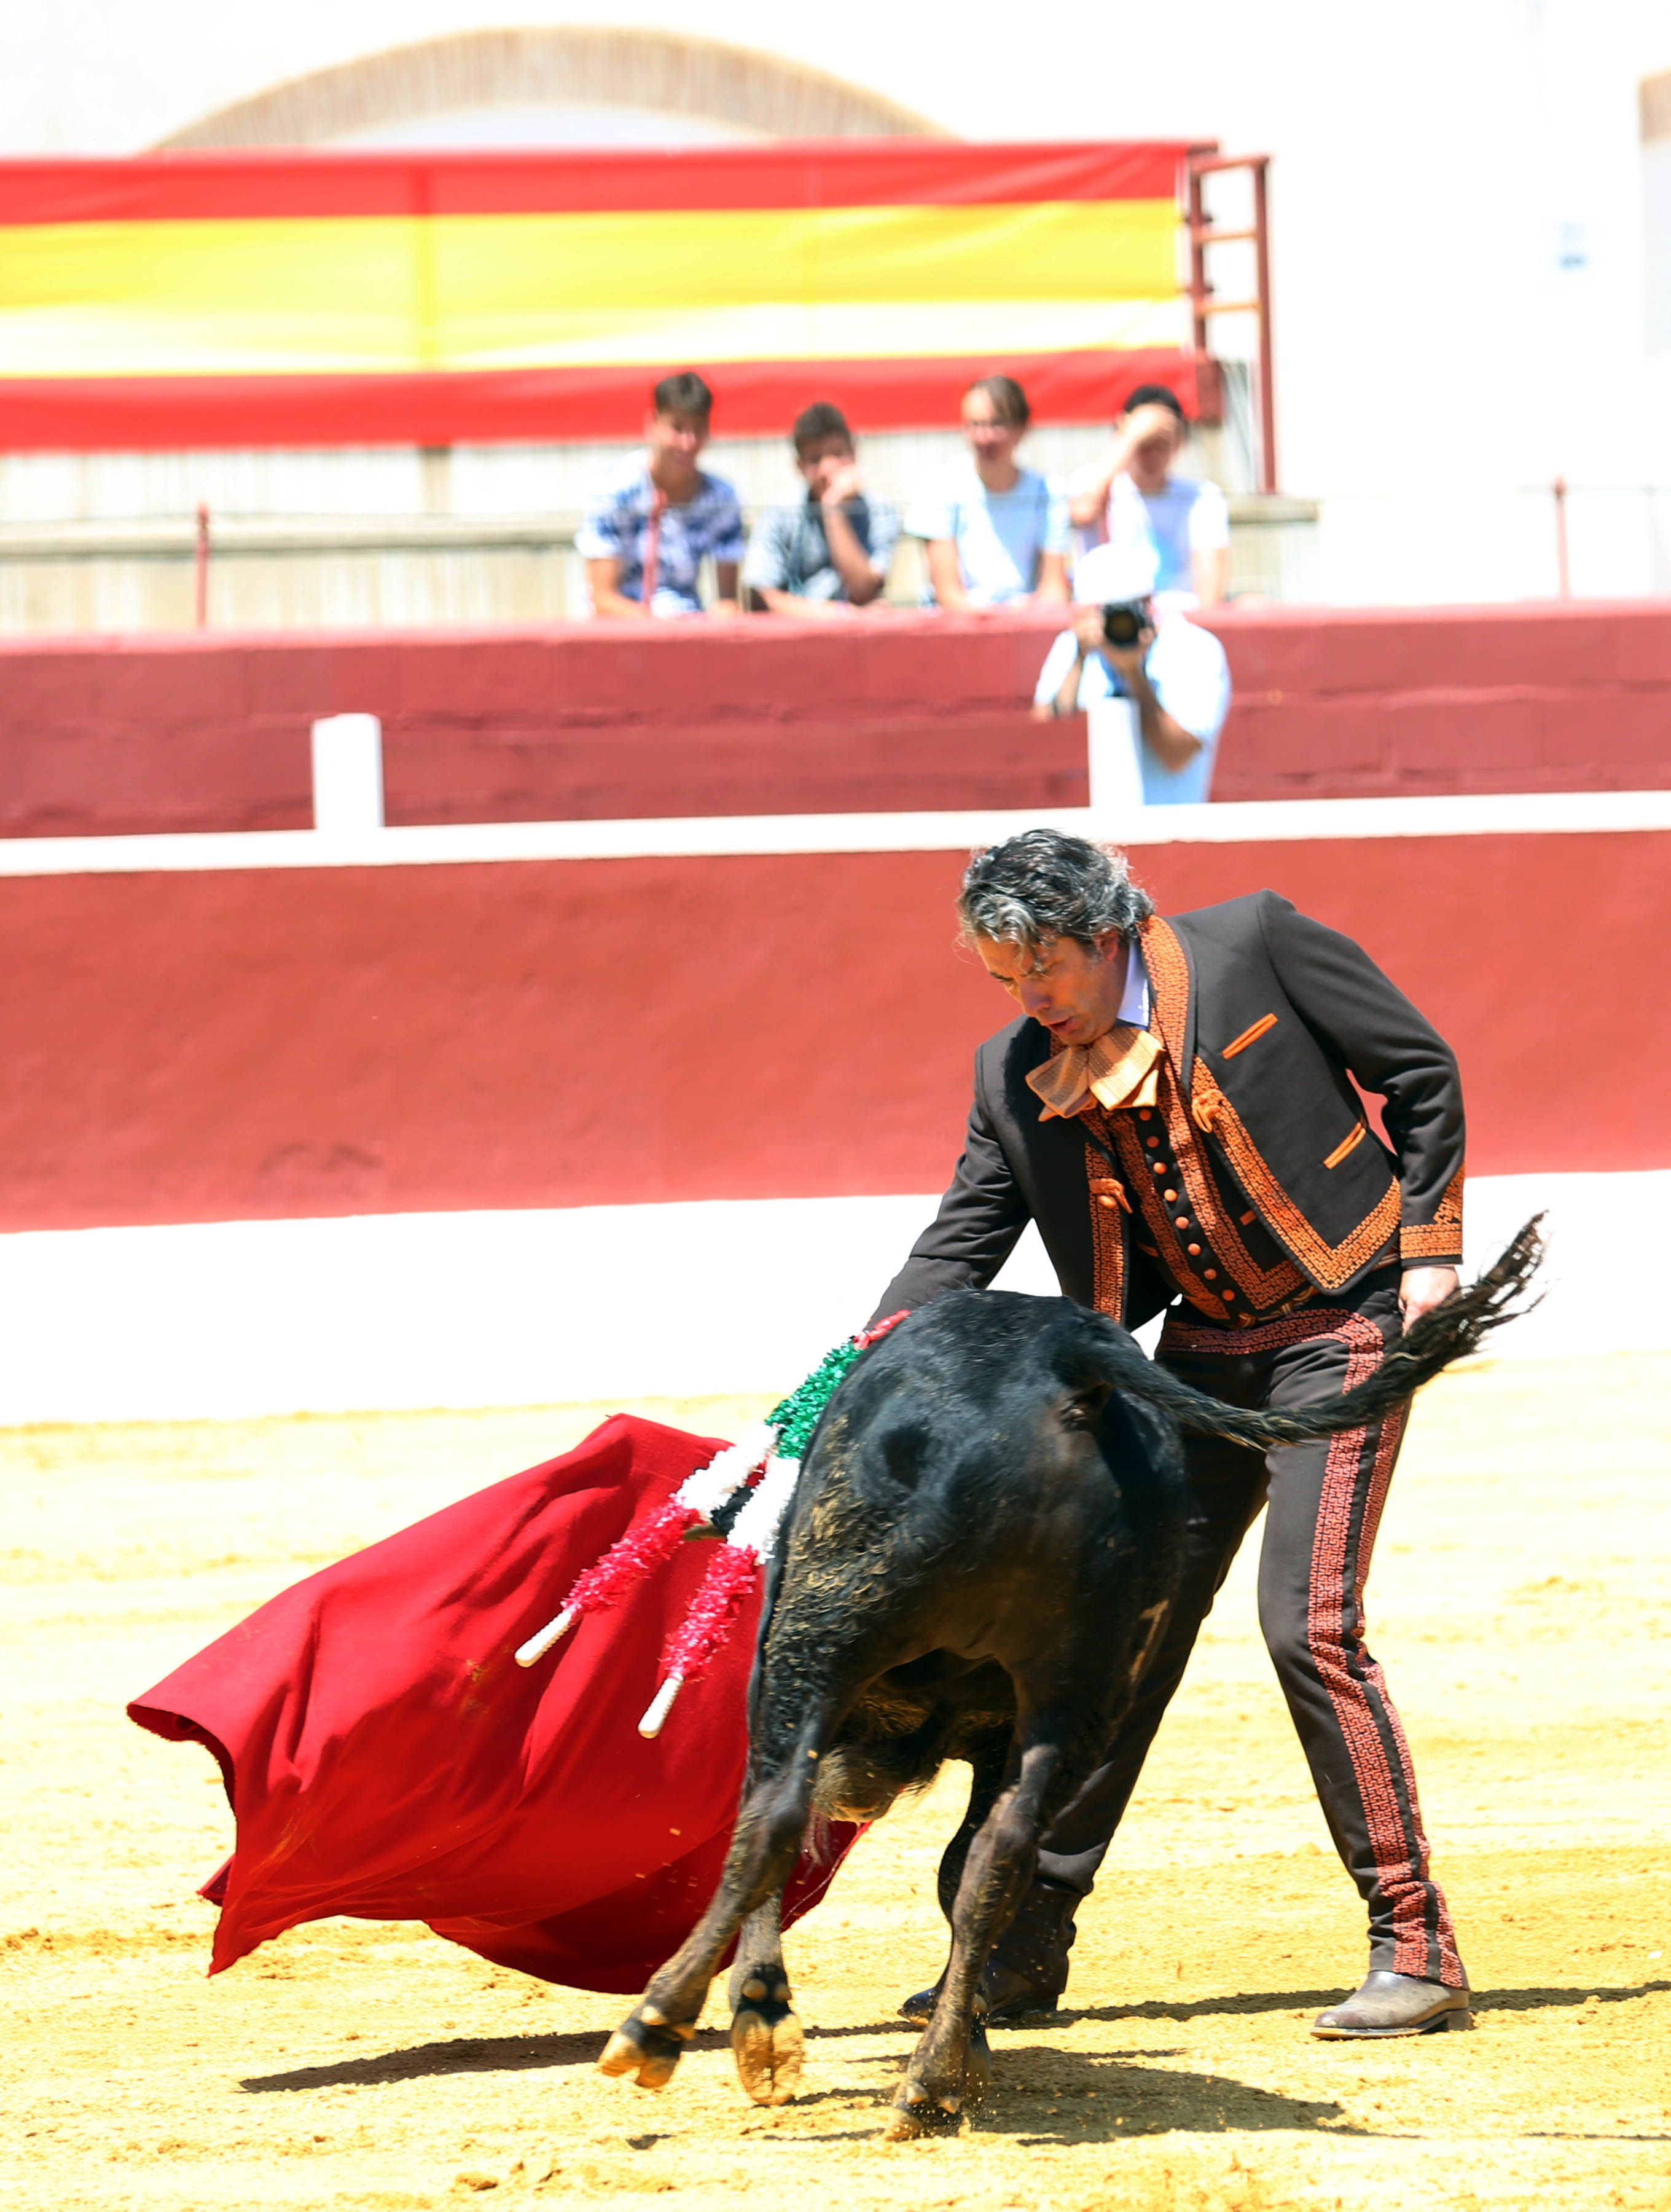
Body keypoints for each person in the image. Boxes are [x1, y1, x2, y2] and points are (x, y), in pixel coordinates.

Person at [874, 828, 1473, 2041]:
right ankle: (1018, 1948)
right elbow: (962, 1237)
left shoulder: (1254, 942)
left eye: (1043, 968)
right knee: (1114, 1636)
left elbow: (1420, 1071)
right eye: (1003, 978)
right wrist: (861, 1363)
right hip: (1195, 1362)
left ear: (1107, 936)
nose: (1029, 999)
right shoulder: (1013, 1072)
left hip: (1344, 1326)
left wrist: (1431, 1249)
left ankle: (1416, 1949)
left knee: (1307, 1626)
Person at [1031, 543, 1231, 806]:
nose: (1119, 623)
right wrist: (1079, 658)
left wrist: (1133, 673)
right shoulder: (1074, 646)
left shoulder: (1194, 648)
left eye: (1127, 610)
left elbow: (1177, 755)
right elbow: (1043, 745)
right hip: (1088, 826)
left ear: (1149, 604)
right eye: (1107, 612)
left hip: (1171, 820)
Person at [577, 371, 745, 618]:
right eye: (677, 428)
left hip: (690, 626)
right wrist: (662, 629)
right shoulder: (614, 491)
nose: (688, 443)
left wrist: (723, 616)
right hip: (623, 630)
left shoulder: (722, 497)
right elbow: (602, 599)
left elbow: (728, 601)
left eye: (698, 430)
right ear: (652, 424)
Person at [905, 375, 1071, 609]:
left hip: (1026, 622)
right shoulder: (939, 487)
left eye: (996, 424)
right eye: (974, 425)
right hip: (961, 624)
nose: (984, 437)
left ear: (1021, 428)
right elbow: (949, 595)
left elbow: (1054, 589)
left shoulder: (1049, 491)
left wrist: (1023, 614)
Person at [1068, 383, 1231, 610]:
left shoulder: (1203, 497)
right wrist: (1131, 435)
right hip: (1113, 620)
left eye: (1161, 443)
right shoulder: (1095, 482)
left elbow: (1211, 592)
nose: (1152, 453)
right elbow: (1083, 511)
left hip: (1179, 620)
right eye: (1145, 443)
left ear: (1179, 441)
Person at [743, 401, 899, 615]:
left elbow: (863, 591)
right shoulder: (780, 514)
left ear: (853, 453)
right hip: (796, 629)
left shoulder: (879, 512)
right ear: (800, 466)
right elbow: (760, 597)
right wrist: (842, 615)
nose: (828, 468)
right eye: (815, 459)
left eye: (837, 454)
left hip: (858, 632)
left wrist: (833, 510)